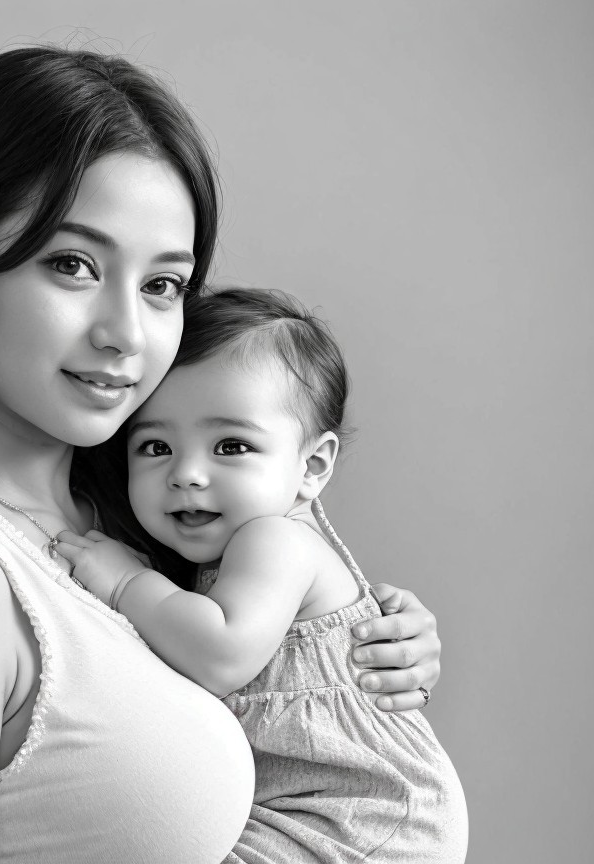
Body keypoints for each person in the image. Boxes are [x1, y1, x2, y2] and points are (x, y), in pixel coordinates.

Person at [0, 47, 445, 863]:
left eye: (162, 285)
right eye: (72, 265)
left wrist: (368, 643)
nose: (126, 334)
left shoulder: (137, 509)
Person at [55, 287, 467, 863]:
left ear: (312, 466)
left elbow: (220, 654)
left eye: (230, 445)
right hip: (320, 811)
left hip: (357, 817)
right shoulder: (233, 547)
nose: (186, 473)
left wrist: (127, 583)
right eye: (155, 446)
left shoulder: (273, 540)